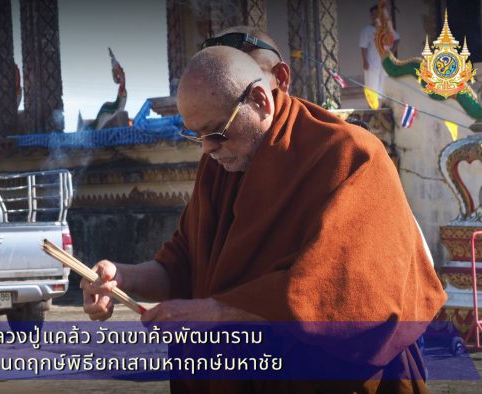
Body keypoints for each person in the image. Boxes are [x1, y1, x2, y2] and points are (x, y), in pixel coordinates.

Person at [82, 45, 446, 393]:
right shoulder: (220, 163)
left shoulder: (348, 155)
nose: (207, 149)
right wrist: (123, 277)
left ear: (259, 101)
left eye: (216, 133)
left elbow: (349, 293)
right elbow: (183, 264)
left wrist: (219, 312)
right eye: (196, 136)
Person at [204, 26, 290, 93]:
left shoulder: (302, 115)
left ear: (281, 78)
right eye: (219, 82)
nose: (232, 92)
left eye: (247, 78)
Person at [360, 4, 400, 95]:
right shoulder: (367, 30)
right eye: (372, 14)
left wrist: (392, 52)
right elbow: (363, 47)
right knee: (372, 84)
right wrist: (365, 61)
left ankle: (383, 104)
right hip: (372, 62)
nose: (374, 17)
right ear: (370, 16)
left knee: (384, 83)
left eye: (376, 14)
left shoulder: (387, 29)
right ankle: (373, 106)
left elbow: (397, 39)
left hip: (386, 61)